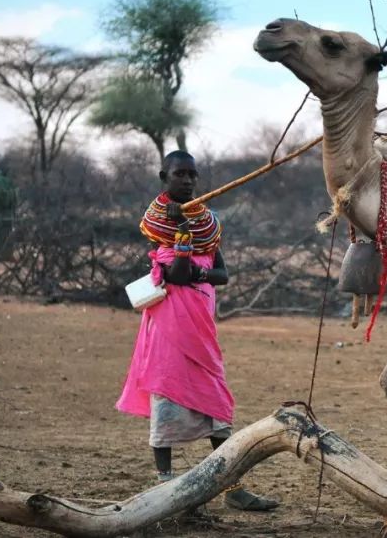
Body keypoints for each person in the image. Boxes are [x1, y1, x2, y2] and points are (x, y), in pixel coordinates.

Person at [116, 151, 279, 512]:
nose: (187, 181)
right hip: (168, 330)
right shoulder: (157, 225)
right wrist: (180, 235)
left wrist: (195, 254)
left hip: (201, 328)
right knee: (166, 395)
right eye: (179, 174)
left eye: (192, 175)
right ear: (164, 177)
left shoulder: (207, 224)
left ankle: (232, 487)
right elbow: (175, 275)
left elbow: (220, 274)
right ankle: (166, 488)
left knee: (216, 404)